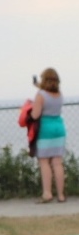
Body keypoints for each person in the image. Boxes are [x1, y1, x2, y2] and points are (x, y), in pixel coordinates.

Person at [31, 67, 66, 203]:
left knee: (44, 161)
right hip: (59, 127)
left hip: (46, 129)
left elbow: (35, 115)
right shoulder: (59, 94)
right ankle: (61, 195)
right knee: (57, 162)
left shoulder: (41, 95)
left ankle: (47, 193)